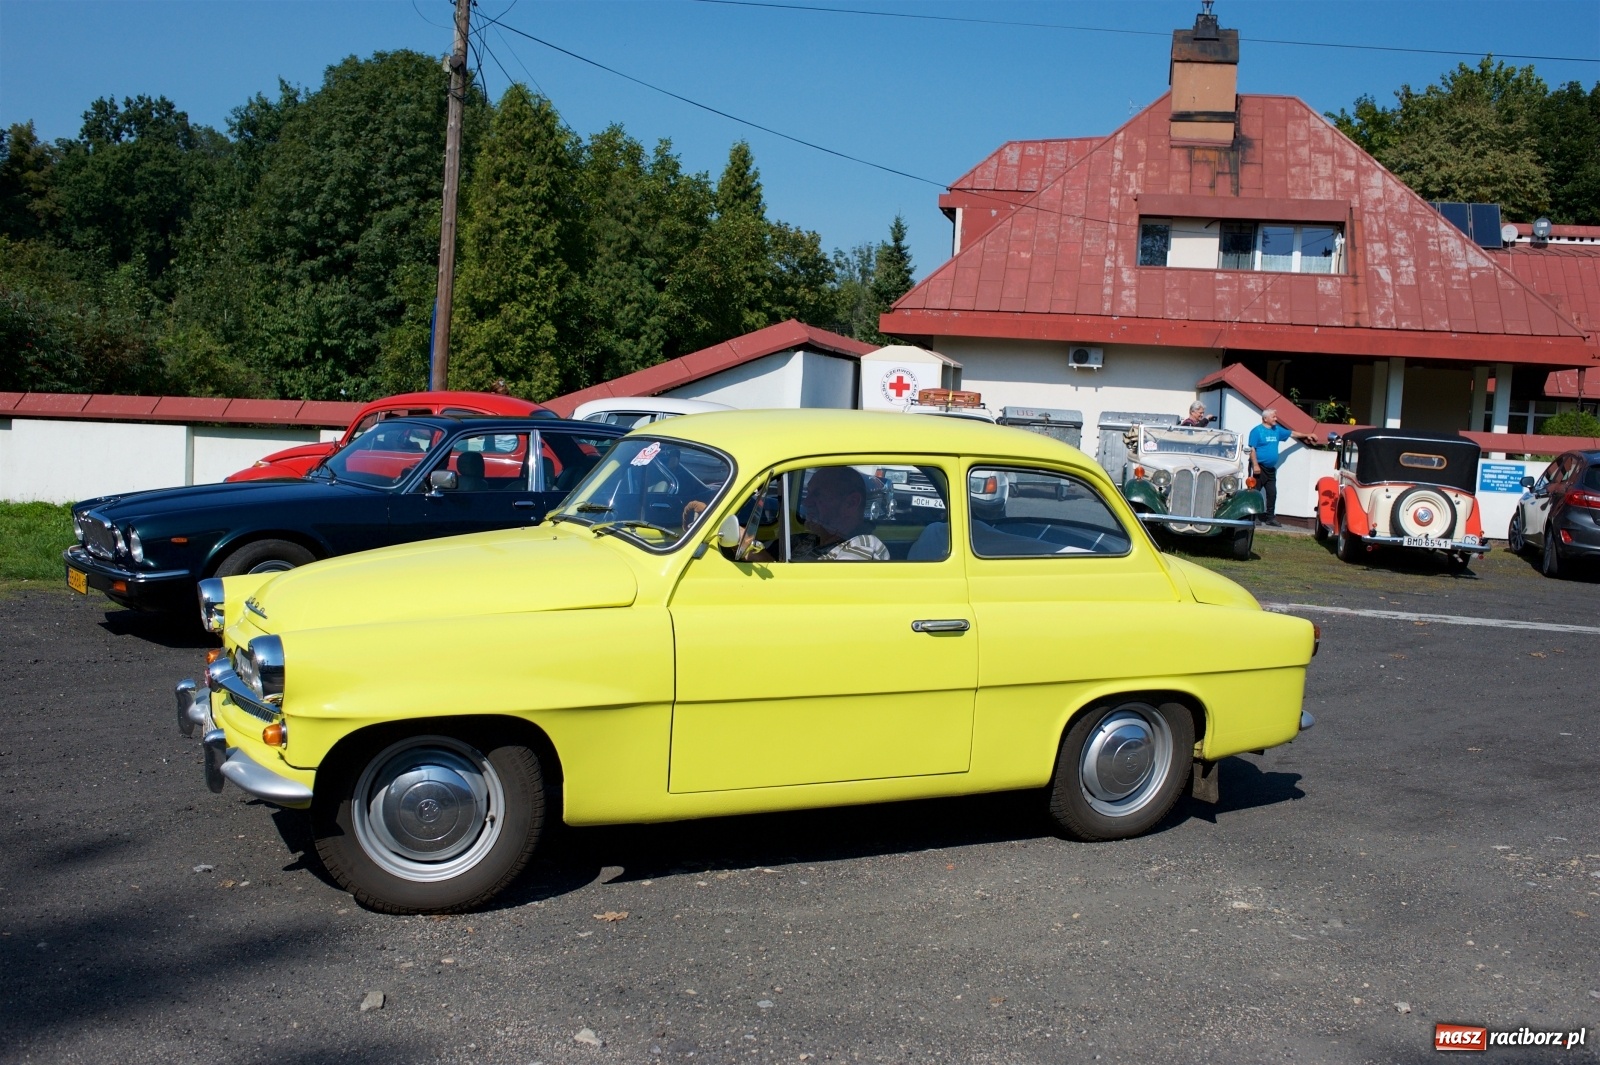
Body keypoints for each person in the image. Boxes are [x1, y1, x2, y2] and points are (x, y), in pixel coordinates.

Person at [1247, 408, 1318, 526]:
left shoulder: (1277, 430)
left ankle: (1270, 518)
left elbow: (1292, 433)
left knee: (1272, 493)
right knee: (1255, 492)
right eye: (1273, 417)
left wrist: (1307, 435)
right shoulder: (1256, 431)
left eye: (1276, 416)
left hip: (1270, 469)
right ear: (1265, 418)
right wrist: (1255, 465)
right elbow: (1252, 449)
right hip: (1259, 467)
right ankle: (1254, 517)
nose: (1276, 419)